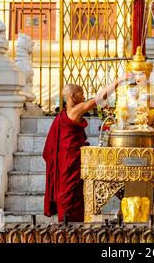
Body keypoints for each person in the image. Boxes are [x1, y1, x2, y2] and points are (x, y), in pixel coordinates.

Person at [43, 74, 130, 222]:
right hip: (70, 161)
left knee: (69, 192)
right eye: (81, 94)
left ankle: (68, 223)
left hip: (67, 161)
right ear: (72, 96)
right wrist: (119, 81)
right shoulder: (74, 111)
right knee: (71, 193)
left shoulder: (64, 115)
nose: (84, 97)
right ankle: (70, 225)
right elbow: (99, 97)